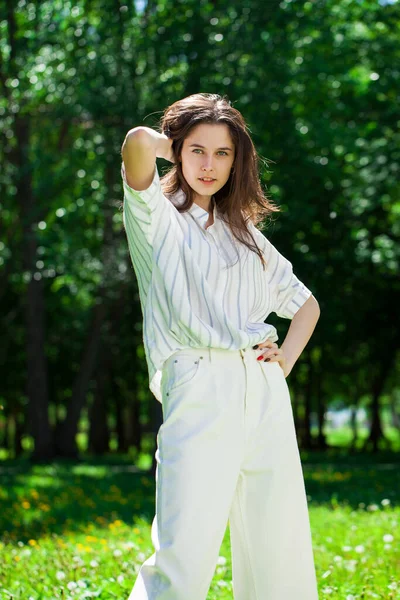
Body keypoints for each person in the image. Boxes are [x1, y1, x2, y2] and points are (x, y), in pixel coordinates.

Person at [120, 93, 320, 600]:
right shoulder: (155, 216)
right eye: (197, 152)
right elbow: (137, 142)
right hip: (199, 382)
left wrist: (284, 365)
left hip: (264, 388)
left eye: (224, 154)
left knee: (280, 546)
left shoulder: (245, 232)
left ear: (239, 161)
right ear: (179, 150)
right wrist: (187, 141)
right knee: (184, 550)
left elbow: (306, 306)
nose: (210, 166)